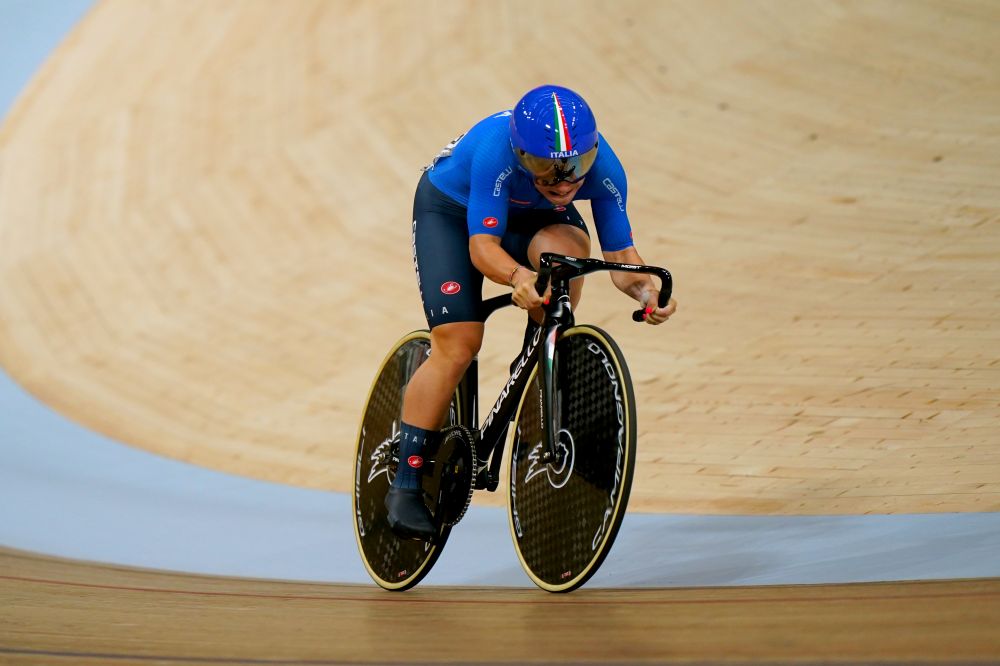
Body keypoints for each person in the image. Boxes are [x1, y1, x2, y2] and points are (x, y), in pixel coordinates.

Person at [385, 84, 678, 540]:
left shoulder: (605, 168)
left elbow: (621, 258)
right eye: (545, 169)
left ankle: (537, 407)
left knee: (566, 265)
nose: (563, 183)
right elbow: (483, 247)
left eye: (575, 168)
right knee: (459, 343)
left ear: (593, 150)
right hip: (453, 210)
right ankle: (405, 480)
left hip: (535, 218)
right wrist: (518, 277)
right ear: (521, 152)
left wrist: (646, 293)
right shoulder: (494, 152)